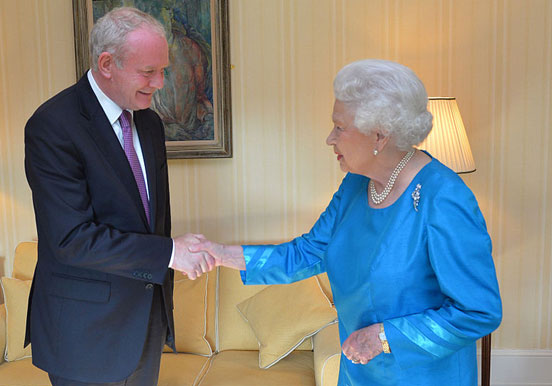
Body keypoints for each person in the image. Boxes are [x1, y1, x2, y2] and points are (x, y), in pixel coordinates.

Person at [191, 59, 503, 385]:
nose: (330, 138)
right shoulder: (356, 184)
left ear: (379, 137)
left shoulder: (444, 199)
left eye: (339, 127)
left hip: (423, 376)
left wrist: (383, 338)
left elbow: (478, 311)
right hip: (360, 372)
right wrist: (220, 253)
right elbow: (309, 252)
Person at [24, 7, 214, 386]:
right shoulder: (52, 126)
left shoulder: (149, 123)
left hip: (146, 323)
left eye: (163, 70)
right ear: (107, 63)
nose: (160, 82)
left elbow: (152, 220)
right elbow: (70, 240)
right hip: (85, 335)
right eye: (148, 72)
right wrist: (171, 253)